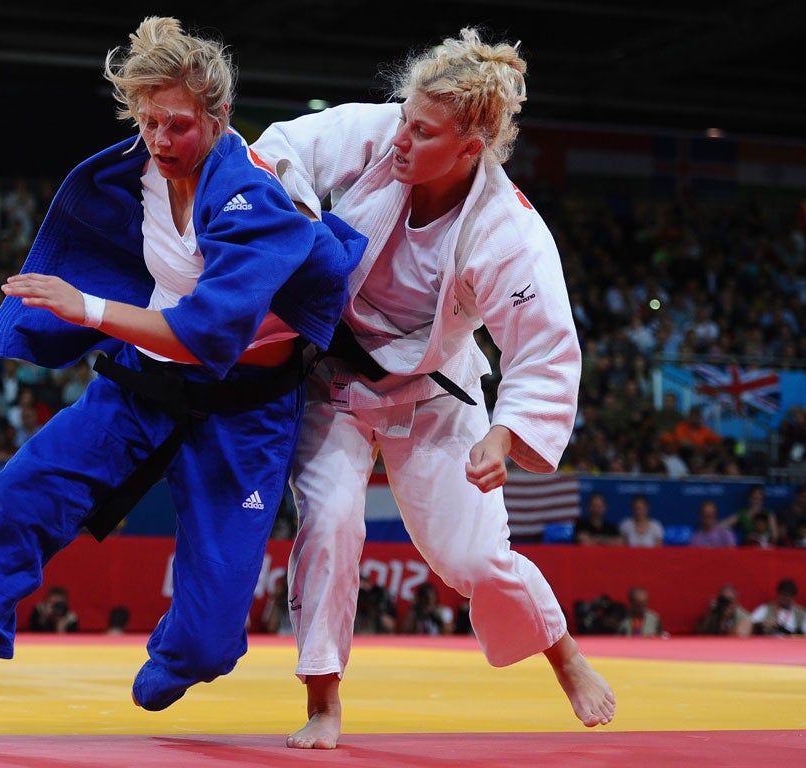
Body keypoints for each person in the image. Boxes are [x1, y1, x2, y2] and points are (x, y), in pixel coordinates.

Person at [0, 16, 363, 750]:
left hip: (244, 412)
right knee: (12, 500)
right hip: (141, 386)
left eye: (178, 125)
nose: (160, 139)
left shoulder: (256, 200)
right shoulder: (139, 163)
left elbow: (206, 335)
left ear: (219, 117)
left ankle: (183, 658)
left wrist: (84, 306)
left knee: (211, 643)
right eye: (147, 122)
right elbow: (157, 305)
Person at [252, 25, 615, 749]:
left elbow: (542, 347)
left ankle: (563, 654)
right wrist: (302, 218)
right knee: (330, 521)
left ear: (470, 149)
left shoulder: (506, 230)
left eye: (423, 132)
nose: (402, 139)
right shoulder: (376, 134)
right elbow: (276, 150)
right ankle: (323, 703)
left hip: (434, 390)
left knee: (473, 559)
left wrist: (506, 432)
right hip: (336, 374)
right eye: (405, 118)